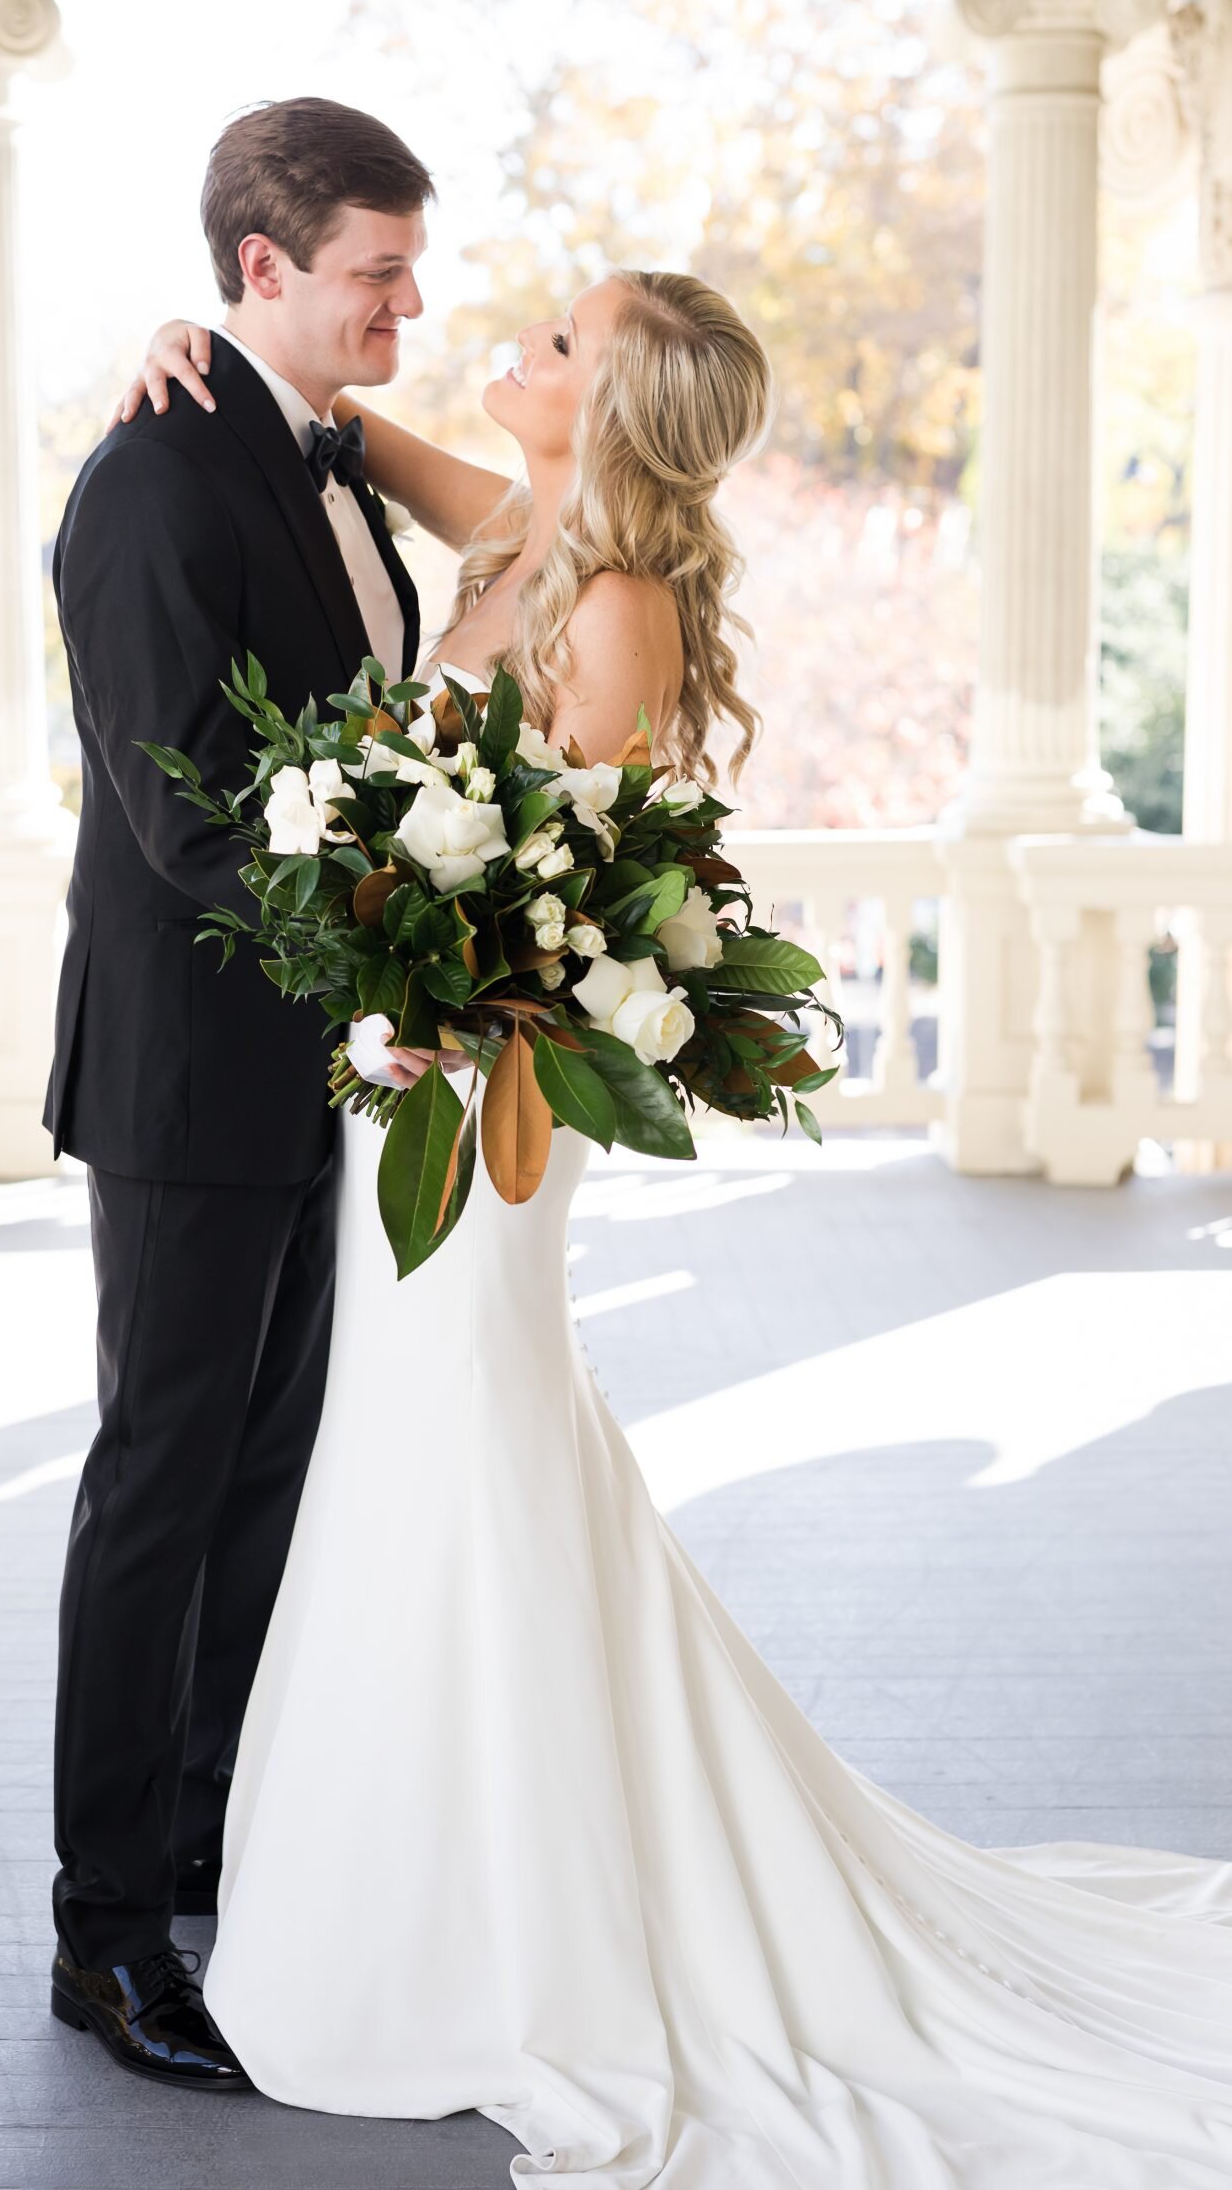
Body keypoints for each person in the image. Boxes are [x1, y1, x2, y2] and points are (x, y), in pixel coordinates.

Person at [112, 275, 1232, 2182]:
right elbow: (329, 433)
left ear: (610, 404)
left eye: (564, 340)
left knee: (464, 1452)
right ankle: (408, 1867)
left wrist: (409, 988)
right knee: (406, 1459)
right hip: (411, 1086)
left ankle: (501, 1923)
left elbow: (548, 900)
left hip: (483, 1106)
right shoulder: (512, 524)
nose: (521, 338)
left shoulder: (611, 601)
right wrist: (188, 358)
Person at [41, 95, 433, 2088]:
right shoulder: (148, 482)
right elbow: (183, 808)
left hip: (305, 1069)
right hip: (191, 1067)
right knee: (155, 1485)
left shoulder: (314, 458)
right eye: (374, 271)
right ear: (261, 268)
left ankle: (205, 1827)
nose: (409, 303)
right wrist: (398, 955)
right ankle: (102, 1933)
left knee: (261, 1471)